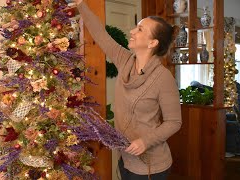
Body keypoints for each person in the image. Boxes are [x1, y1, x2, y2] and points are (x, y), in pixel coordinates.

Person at [73, 0, 182, 180]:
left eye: (140, 30)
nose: (132, 31)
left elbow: (174, 122)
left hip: (151, 166)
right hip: (126, 159)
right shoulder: (124, 60)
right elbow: (101, 35)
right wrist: (80, 4)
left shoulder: (163, 78)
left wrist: (145, 141)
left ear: (152, 42)